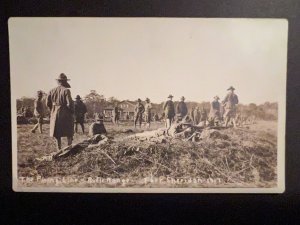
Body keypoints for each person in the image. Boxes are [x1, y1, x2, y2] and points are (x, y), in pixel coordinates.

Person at [46, 73, 74, 150]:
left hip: (54, 112)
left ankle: (58, 149)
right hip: (65, 112)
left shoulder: (51, 90)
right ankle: (69, 147)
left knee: (57, 130)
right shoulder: (66, 90)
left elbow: (47, 103)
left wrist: (53, 109)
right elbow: (69, 103)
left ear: (58, 81)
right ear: (65, 81)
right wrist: (72, 111)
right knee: (69, 129)